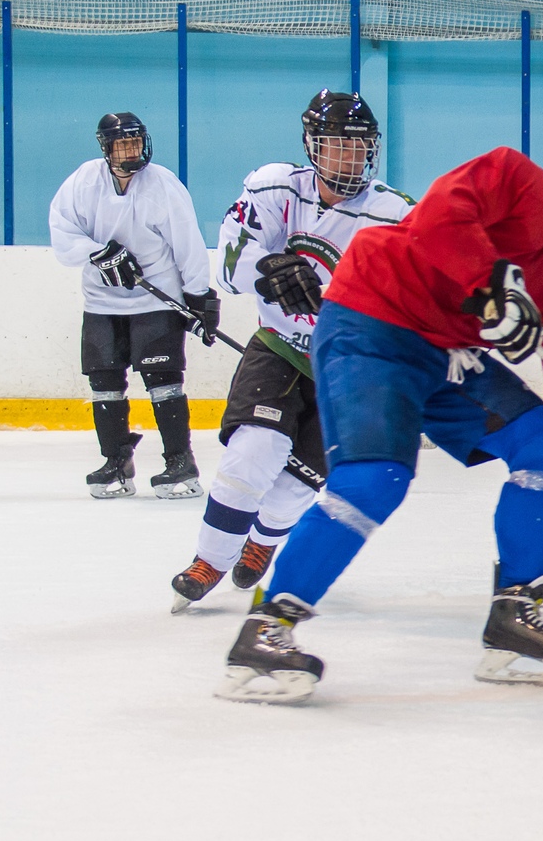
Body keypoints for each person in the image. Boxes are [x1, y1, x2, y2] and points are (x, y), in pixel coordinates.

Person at [214, 127, 543, 705]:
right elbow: (443, 217)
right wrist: (492, 281)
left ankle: (515, 613)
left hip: (443, 354)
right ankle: (266, 628)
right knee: (376, 480)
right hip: (371, 320)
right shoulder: (513, 178)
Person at [167, 91, 413, 613]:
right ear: (310, 146)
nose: (348, 159)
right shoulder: (276, 187)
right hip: (278, 348)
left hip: (350, 372)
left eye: (359, 148)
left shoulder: (393, 214)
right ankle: (210, 558)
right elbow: (229, 272)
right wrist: (269, 268)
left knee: (299, 482)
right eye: (335, 147)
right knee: (252, 453)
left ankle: (262, 542)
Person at [47, 111, 217, 499]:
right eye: (122, 144)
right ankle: (116, 461)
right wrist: (97, 253)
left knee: (164, 382)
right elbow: (61, 230)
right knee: (104, 383)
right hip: (102, 303)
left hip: (156, 301)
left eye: (135, 142)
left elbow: (187, 243)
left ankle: (180, 461)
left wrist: (198, 298)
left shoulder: (163, 185)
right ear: (106, 148)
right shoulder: (83, 181)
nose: (131, 150)